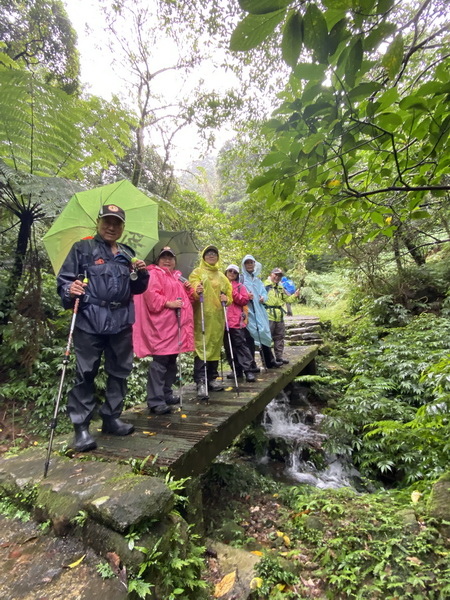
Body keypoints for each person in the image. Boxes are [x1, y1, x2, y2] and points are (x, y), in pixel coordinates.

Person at [57, 204, 149, 452]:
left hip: (121, 320)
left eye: (117, 223)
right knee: (86, 372)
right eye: (107, 221)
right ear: (98, 223)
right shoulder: (83, 248)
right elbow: (65, 281)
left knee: (120, 370)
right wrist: (69, 289)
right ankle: (82, 428)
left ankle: (111, 418)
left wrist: (141, 274)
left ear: (122, 227)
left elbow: (137, 289)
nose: (111, 226)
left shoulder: (128, 254)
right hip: (89, 319)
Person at [132, 247, 195, 415]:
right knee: (159, 362)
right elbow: (151, 296)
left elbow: (185, 301)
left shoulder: (176, 277)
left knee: (171, 362)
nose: (167, 260)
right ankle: (155, 401)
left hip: (176, 328)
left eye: (170, 258)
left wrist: (189, 289)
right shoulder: (154, 274)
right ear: (158, 260)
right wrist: (169, 303)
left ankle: (166, 394)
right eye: (164, 257)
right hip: (162, 327)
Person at [189, 245, 232, 400]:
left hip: (218, 317)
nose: (211, 255)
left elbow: (229, 294)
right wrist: (196, 290)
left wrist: (226, 299)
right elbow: (192, 288)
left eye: (214, 253)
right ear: (204, 256)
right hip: (202, 316)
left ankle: (212, 378)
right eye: (208, 253)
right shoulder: (197, 272)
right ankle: (201, 380)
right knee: (202, 346)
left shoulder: (222, 276)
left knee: (214, 345)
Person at [240, 254, 280, 369]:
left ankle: (269, 361)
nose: (249, 265)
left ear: (254, 264)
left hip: (260, 311)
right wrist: (246, 296)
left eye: (251, 263)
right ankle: (251, 364)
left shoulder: (257, 280)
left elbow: (264, 293)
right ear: (244, 265)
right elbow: (237, 292)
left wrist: (263, 298)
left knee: (264, 332)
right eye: (247, 263)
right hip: (248, 312)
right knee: (250, 337)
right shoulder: (241, 279)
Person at [223, 264, 256, 383]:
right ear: (226, 272)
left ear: (237, 275)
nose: (232, 273)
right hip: (223, 321)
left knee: (241, 345)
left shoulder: (240, 287)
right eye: (230, 271)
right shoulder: (220, 285)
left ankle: (248, 370)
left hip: (236, 321)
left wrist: (232, 292)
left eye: (234, 272)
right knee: (229, 347)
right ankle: (236, 370)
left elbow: (244, 300)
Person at [265, 268, 299, 364]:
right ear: (271, 274)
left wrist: (295, 296)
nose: (277, 277)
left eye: (279, 275)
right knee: (267, 338)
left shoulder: (280, 287)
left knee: (279, 337)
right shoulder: (265, 286)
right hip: (268, 315)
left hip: (279, 316)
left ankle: (279, 357)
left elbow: (287, 299)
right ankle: (268, 360)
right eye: (276, 274)